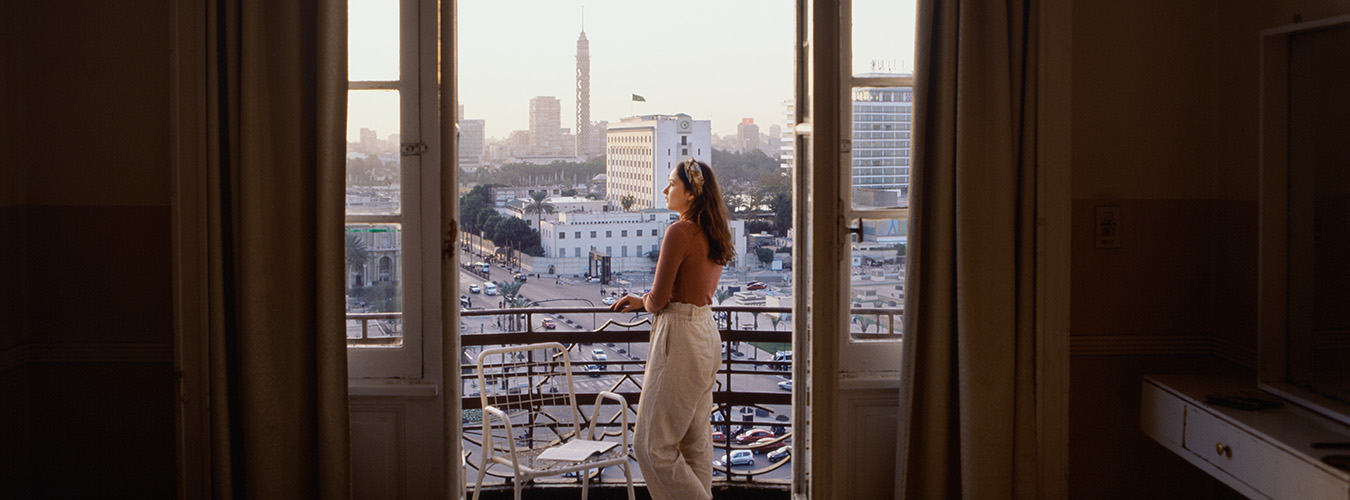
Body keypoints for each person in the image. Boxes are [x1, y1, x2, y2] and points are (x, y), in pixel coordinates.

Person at [610, 158, 734, 500]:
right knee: (695, 440)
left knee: (650, 445)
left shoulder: (679, 231)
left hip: (679, 336)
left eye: (672, 185)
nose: (665, 190)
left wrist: (642, 300)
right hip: (706, 333)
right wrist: (647, 300)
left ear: (691, 194)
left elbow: (659, 299)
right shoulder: (714, 231)